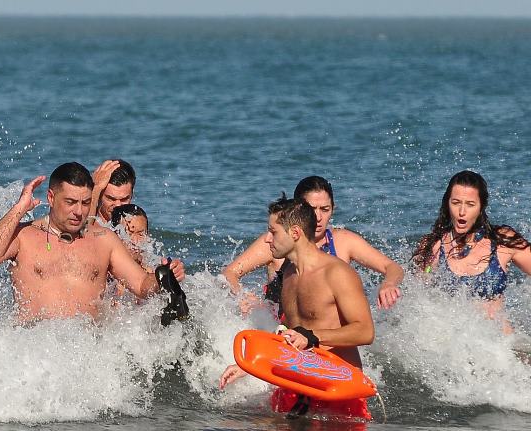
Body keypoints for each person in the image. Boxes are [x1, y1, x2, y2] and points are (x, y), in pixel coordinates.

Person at [219, 196, 375, 420]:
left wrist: (312, 337)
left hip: (337, 389)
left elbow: (365, 331)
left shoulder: (337, 273)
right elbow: (291, 338)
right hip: (297, 386)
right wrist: (251, 365)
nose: (267, 238)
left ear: (294, 233)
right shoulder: (289, 275)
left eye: (273, 232)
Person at [0, 162, 184, 323]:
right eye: (70, 202)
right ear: (51, 197)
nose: (78, 211)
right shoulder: (25, 235)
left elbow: (140, 285)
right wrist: (19, 208)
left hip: (87, 352)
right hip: (33, 349)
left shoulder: (104, 240)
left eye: (85, 203)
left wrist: (163, 276)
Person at [223, 176, 404, 311]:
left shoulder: (344, 241)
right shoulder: (275, 242)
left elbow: (392, 267)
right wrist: (241, 295)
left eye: (325, 209)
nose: (318, 217)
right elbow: (230, 273)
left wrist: (388, 285)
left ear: (333, 209)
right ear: (297, 210)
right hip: (280, 330)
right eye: (311, 209)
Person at [413, 170, 531, 329]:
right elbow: (415, 299)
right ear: (447, 204)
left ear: (482, 207)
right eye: (455, 203)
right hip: (453, 347)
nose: (462, 212)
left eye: (470, 204)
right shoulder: (433, 246)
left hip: (501, 347)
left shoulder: (503, 241)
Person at [89, 159, 135, 224]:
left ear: (132, 194)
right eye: (111, 199)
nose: (118, 205)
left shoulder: (136, 225)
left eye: (124, 199)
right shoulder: (83, 224)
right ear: (98, 196)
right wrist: (96, 188)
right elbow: (85, 230)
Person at [110, 203, 149, 268]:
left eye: (140, 234)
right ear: (114, 234)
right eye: (129, 234)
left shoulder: (153, 267)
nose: (135, 242)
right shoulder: (105, 267)